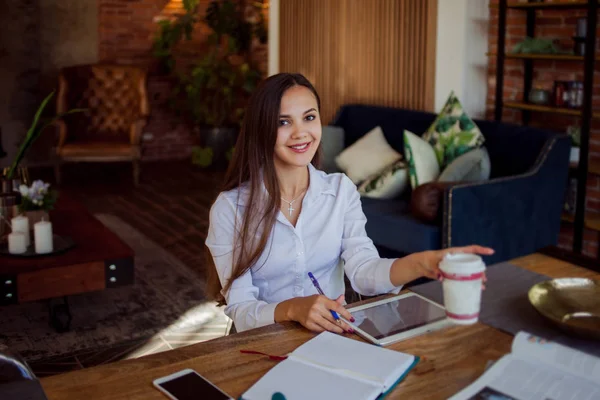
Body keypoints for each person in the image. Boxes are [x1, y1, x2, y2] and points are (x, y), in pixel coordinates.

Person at [205, 72, 493, 333]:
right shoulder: (231, 208)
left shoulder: (341, 191)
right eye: (283, 122)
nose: (300, 133)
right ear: (261, 129)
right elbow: (241, 311)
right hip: (261, 344)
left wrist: (421, 263)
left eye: (309, 117)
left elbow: (364, 272)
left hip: (332, 335)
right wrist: (294, 308)